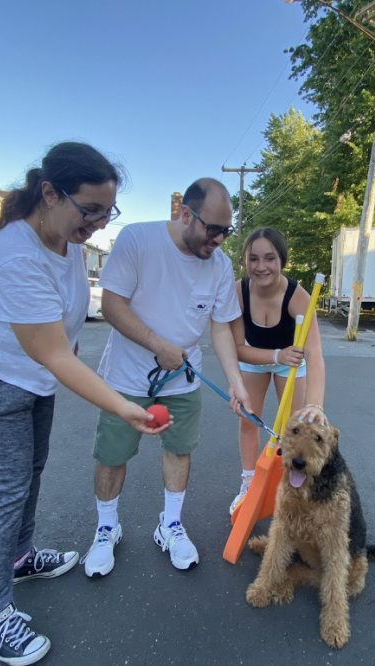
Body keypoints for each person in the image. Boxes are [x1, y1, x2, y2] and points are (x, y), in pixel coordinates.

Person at [0, 142, 167, 666]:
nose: (99, 224)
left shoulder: (68, 238)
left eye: (108, 212)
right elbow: (56, 355)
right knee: (0, 495)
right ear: (49, 192)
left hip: (28, 379)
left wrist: (71, 353)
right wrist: (126, 406)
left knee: (28, 476)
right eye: (90, 210)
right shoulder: (13, 254)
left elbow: (65, 327)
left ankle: (19, 558)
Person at [83, 177, 251, 577]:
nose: (219, 241)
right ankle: (107, 528)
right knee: (112, 455)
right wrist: (158, 344)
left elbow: (222, 327)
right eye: (213, 230)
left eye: (226, 231)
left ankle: (169, 525)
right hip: (125, 377)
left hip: (183, 380)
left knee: (179, 450)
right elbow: (111, 304)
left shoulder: (220, 266)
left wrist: (236, 382)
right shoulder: (138, 240)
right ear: (186, 214)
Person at [228, 227, 326, 514]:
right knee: (248, 421)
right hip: (254, 358)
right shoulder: (238, 291)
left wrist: (315, 405)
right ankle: (248, 484)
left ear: (282, 260)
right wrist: (275, 355)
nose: (261, 267)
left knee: (293, 430)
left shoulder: (299, 297)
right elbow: (236, 347)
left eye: (269, 258)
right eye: (253, 259)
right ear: (244, 261)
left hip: (292, 364)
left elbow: (315, 354)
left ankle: (291, 488)